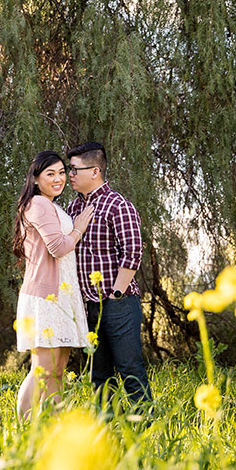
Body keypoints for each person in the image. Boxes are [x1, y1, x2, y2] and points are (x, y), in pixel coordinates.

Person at [66, 141, 152, 408]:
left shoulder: (118, 205)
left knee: (129, 369)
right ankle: (108, 430)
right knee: (98, 375)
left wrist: (115, 294)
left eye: (74, 170)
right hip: (86, 306)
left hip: (118, 304)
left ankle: (146, 427)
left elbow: (133, 252)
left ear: (95, 171)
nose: (69, 175)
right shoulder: (72, 209)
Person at [13, 150, 94, 420]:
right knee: (42, 369)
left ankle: (53, 426)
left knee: (58, 371)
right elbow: (58, 247)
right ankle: (23, 427)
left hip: (62, 296)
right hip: (45, 297)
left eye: (62, 172)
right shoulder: (38, 204)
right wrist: (79, 228)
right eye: (51, 174)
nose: (59, 178)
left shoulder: (53, 205)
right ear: (36, 179)